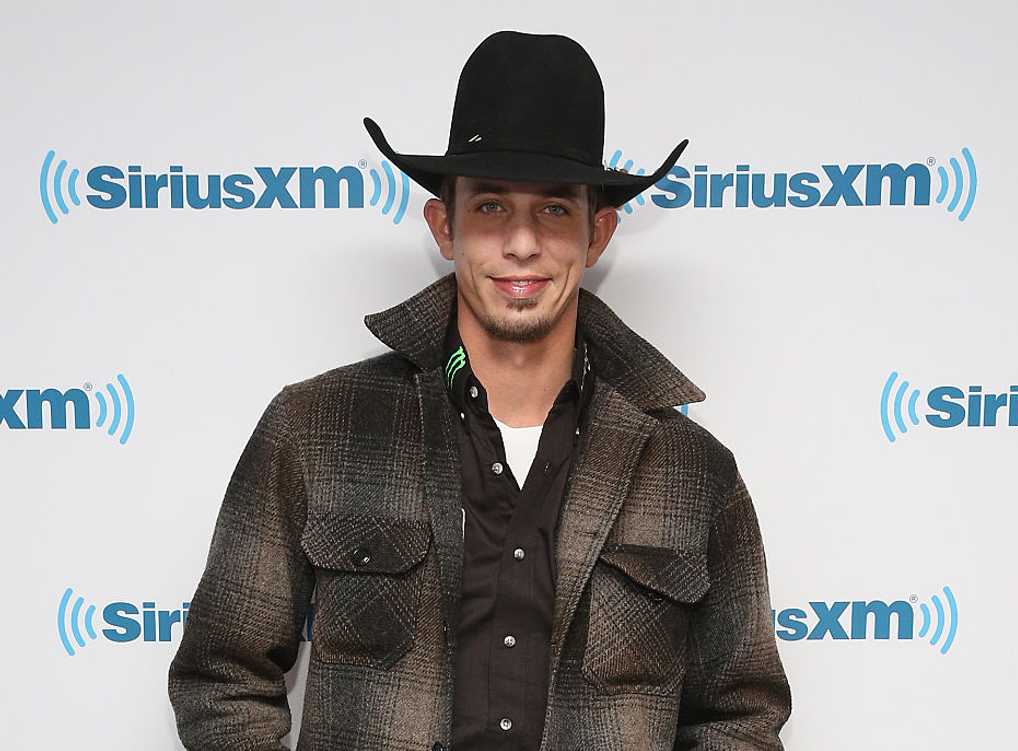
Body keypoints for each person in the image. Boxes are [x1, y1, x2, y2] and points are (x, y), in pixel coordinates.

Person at [168, 29, 791, 751]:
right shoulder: (315, 428)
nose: (521, 243)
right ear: (444, 224)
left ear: (598, 233)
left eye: (555, 209)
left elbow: (739, 719)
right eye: (492, 206)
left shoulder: (693, 471)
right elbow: (221, 678)